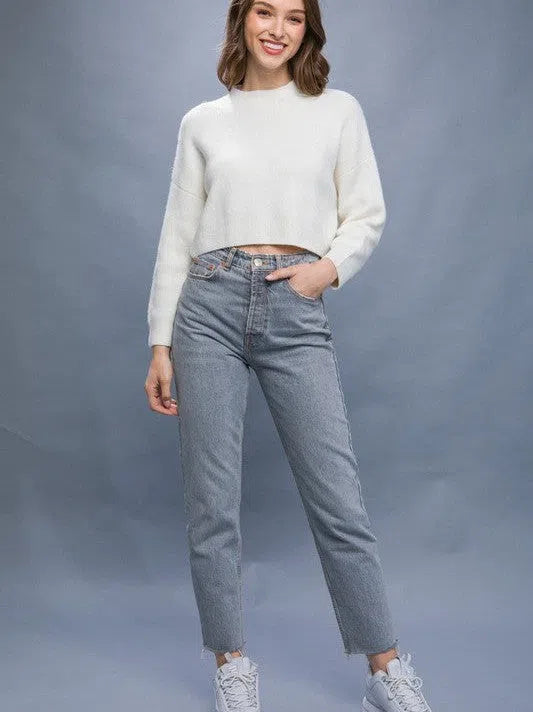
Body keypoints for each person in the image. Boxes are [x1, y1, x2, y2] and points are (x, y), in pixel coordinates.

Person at [144, 1, 433, 710]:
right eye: (264, 12)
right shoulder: (202, 122)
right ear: (241, 20)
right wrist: (159, 342)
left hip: (294, 307)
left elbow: (365, 213)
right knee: (212, 505)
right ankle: (231, 664)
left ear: (309, 30)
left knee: (338, 501)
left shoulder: (337, 112)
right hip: (206, 308)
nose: (277, 29)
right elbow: (177, 232)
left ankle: (385, 669)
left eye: (295, 17)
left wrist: (325, 271)